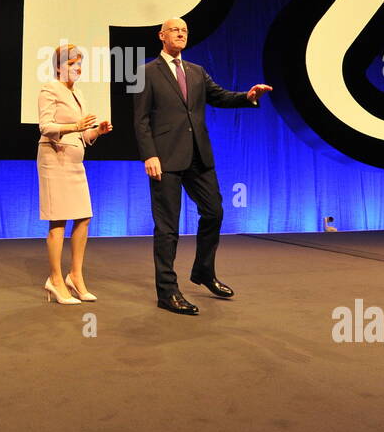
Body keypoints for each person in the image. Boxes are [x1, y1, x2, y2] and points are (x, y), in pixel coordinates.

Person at [134, 18, 271, 315]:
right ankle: (167, 292)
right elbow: (141, 120)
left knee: (214, 211)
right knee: (167, 228)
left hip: (199, 156)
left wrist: (248, 97)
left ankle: (203, 272)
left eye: (184, 29)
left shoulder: (196, 72)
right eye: (175, 29)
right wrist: (149, 155)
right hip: (165, 159)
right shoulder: (145, 73)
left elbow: (219, 96)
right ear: (162, 36)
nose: (181, 33)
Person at [37, 44, 112, 304]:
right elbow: (46, 126)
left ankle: (75, 276)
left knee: (83, 218)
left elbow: (82, 136)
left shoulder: (77, 93)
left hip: (75, 160)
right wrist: (75, 125)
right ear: (59, 66)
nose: (77, 68)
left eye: (79, 64)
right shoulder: (50, 88)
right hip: (54, 158)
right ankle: (55, 280)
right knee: (58, 221)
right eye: (71, 64)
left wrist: (97, 131)